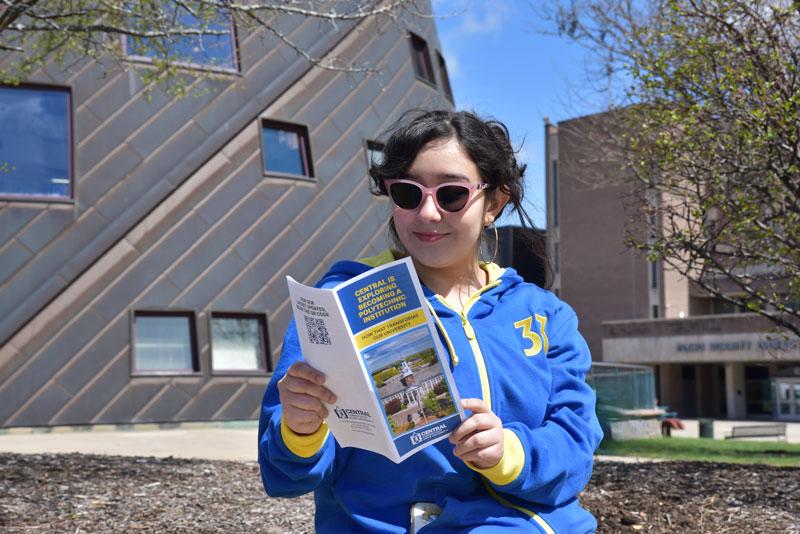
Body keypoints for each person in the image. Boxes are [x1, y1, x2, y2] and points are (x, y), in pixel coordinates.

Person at [258, 109, 603, 533]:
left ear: (494, 203)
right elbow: (283, 476)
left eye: (451, 194)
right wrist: (299, 430)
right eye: (408, 193)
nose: (427, 213)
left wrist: (508, 452)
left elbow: (575, 445)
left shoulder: (545, 315)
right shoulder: (339, 303)